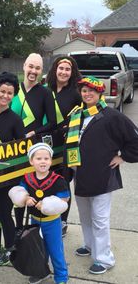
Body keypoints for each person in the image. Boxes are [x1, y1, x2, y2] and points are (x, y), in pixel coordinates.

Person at [65, 76, 138, 275]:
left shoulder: (112, 116)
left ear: (100, 93)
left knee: (100, 219)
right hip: (80, 174)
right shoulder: (78, 115)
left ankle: (104, 259)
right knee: (85, 215)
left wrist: (122, 157)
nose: (87, 94)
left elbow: (134, 140)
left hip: (103, 176)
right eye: (84, 91)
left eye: (91, 91)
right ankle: (89, 245)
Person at [9, 142, 69, 284]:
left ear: (50, 160)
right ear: (31, 161)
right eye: (39, 159)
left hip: (53, 222)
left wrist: (49, 204)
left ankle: (61, 277)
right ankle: (41, 272)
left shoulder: (57, 180)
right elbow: (20, 191)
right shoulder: (27, 178)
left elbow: (64, 199)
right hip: (34, 221)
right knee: (38, 249)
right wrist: (25, 198)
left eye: (46, 158)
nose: (43, 161)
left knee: (56, 251)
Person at [11, 53, 56, 234]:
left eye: (37, 68)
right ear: (24, 66)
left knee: (29, 187)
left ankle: (30, 230)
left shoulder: (45, 93)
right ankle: (17, 227)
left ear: (41, 71)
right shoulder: (13, 89)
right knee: (15, 189)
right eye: (31, 66)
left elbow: (52, 122)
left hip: (32, 150)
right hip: (12, 148)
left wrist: (33, 132)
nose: (33, 71)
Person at [0, 72, 25, 266]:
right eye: (2, 91)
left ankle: (10, 248)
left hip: (6, 177)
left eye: (10, 93)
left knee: (3, 212)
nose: (5, 96)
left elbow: (22, 151)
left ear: (13, 95)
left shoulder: (16, 120)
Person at [46, 55, 82, 237]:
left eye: (68, 69)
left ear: (72, 72)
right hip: (45, 147)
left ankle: (63, 221)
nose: (63, 72)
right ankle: (45, 217)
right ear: (55, 70)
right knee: (44, 181)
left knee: (62, 183)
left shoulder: (76, 93)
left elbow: (82, 118)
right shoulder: (46, 90)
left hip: (66, 147)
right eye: (61, 68)